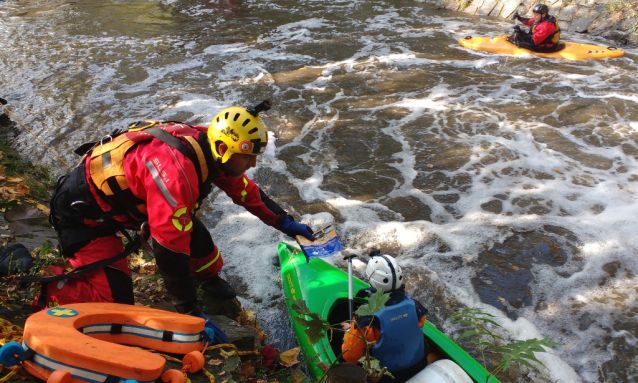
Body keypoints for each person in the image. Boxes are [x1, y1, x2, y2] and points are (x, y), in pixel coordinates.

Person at [41, 100, 315, 342]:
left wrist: (286, 223)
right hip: (84, 218)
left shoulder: (209, 148)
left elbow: (246, 192)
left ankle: (208, 280)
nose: (253, 164)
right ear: (223, 148)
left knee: (200, 244)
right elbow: (169, 250)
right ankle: (49, 290)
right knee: (115, 307)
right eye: (250, 157)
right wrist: (189, 313)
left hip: (124, 205)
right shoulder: (175, 173)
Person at [341, 250, 429, 381]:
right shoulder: (416, 308)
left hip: (386, 377)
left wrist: (350, 330)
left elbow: (350, 357)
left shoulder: (367, 320)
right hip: (418, 366)